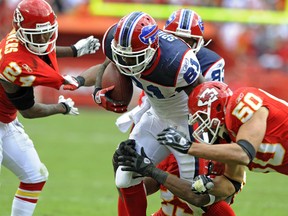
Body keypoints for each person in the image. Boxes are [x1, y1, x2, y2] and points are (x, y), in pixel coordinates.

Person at [112, 9, 236, 216]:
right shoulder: (145, 53)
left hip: (195, 131)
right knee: (125, 174)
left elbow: (212, 111)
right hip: (157, 120)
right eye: (177, 39)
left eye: (188, 40)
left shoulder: (202, 64)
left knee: (198, 198)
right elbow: (113, 62)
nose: (182, 45)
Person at [0, 0, 100, 215]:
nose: (45, 39)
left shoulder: (22, 39)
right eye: (39, 35)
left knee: (35, 177)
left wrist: (74, 50)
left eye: (47, 33)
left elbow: (42, 49)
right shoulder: (15, 66)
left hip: (5, 121)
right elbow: (29, 111)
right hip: (6, 118)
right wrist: (61, 107)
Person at [157, 81, 288, 176]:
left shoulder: (241, 101)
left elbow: (243, 153)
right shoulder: (226, 139)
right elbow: (232, 183)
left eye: (202, 116)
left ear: (216, 107)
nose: (202, 124)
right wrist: (207, 185)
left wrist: (189, 147)